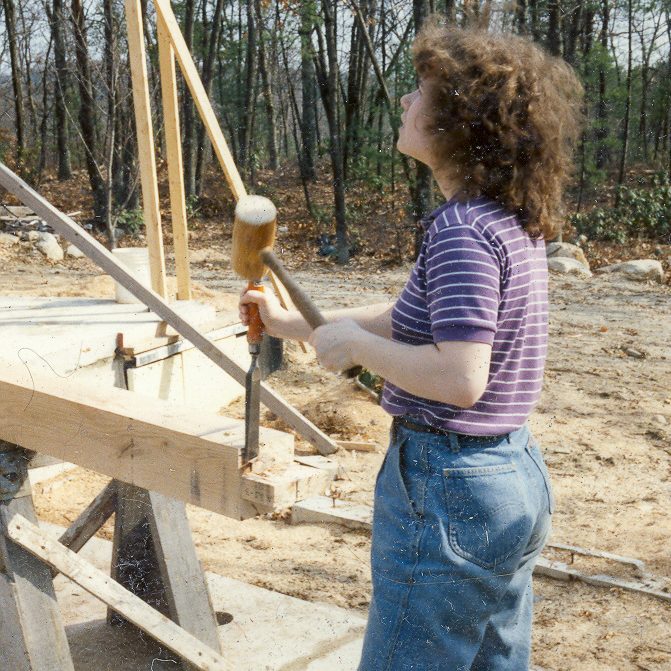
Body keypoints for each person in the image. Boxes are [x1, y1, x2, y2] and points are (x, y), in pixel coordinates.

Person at [240, 18, 583, 671]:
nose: (402, 101)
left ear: (460, 121)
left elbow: (458, 377)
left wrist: (356, 350)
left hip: (449, 485)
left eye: (418, 92)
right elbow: (412, 318)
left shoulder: (459, 231)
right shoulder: (504, 220)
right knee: (488, 660)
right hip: (508, 479)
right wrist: (301, 327)